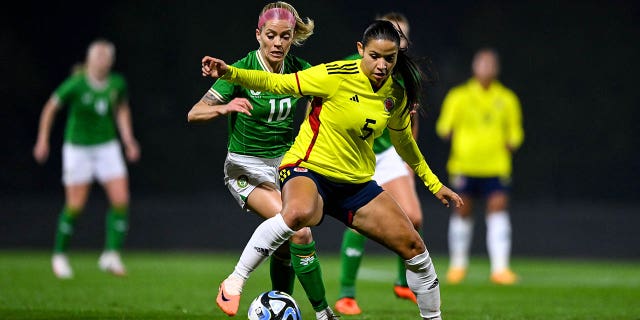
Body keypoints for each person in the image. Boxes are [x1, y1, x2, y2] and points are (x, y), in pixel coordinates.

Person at [201, 19, 463, 320]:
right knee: (299, 215)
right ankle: (235, 281)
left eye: (389, 58)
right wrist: (229, 72)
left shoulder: (395, 94)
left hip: (356, 185)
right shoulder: (333, 74)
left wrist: (434, 184)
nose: (381, 64)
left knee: (414, 247)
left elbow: (404, 143)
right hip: (307, 170)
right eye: (374, 56)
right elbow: (276, 83)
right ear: (360, 50)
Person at [187, 2, 333, 318]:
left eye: (285, 36)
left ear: (293, 37)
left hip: (284, 165)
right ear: (258, 35)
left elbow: (325, 96)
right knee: (300, 231)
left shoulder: (299, 69)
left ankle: (281, 305)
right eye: (271, 35)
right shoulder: (242, 69)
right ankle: (323, 313)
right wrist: (223, 108)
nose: (278, 43)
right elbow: (194, 113)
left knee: (286, 242)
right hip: (245, 167)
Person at [334, 11, 423, 315]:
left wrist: (409, 164)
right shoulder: (350, 65)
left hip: (386, 154)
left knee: (413, 216)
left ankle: (402, 283)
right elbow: (316, 100)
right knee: (359, 221)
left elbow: (410, 121)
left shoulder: (407, 75)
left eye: (402, 37)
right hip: (353, 151)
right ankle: (346, 294)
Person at [33, 38, 140, 279]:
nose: (102, 61)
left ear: (111, 61)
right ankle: (59, 255)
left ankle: (111, 255)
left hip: (107, 146)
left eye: (106, 57)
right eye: (97, 57)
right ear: (89, 60)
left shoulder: (116, 83)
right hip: (78, 148)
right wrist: (43, 140)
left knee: (121, 199)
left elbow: (121, 108)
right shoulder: (77, 84)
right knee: (75, 205)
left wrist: (128, 139)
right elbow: (51, 108)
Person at [435, 48, 524, 285]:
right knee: (462, 211)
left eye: (490, 64)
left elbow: (516, 133)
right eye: (482, 64)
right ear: (474, 67)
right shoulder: (459, 96)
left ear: (496, 69)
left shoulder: (507, 98)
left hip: (495, 166)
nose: (486, 68)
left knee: (498, 211)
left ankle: (500, 268)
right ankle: (458, 266)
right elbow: (444, 128)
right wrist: (453, 135)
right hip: (465, 164)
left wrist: (511, 143)